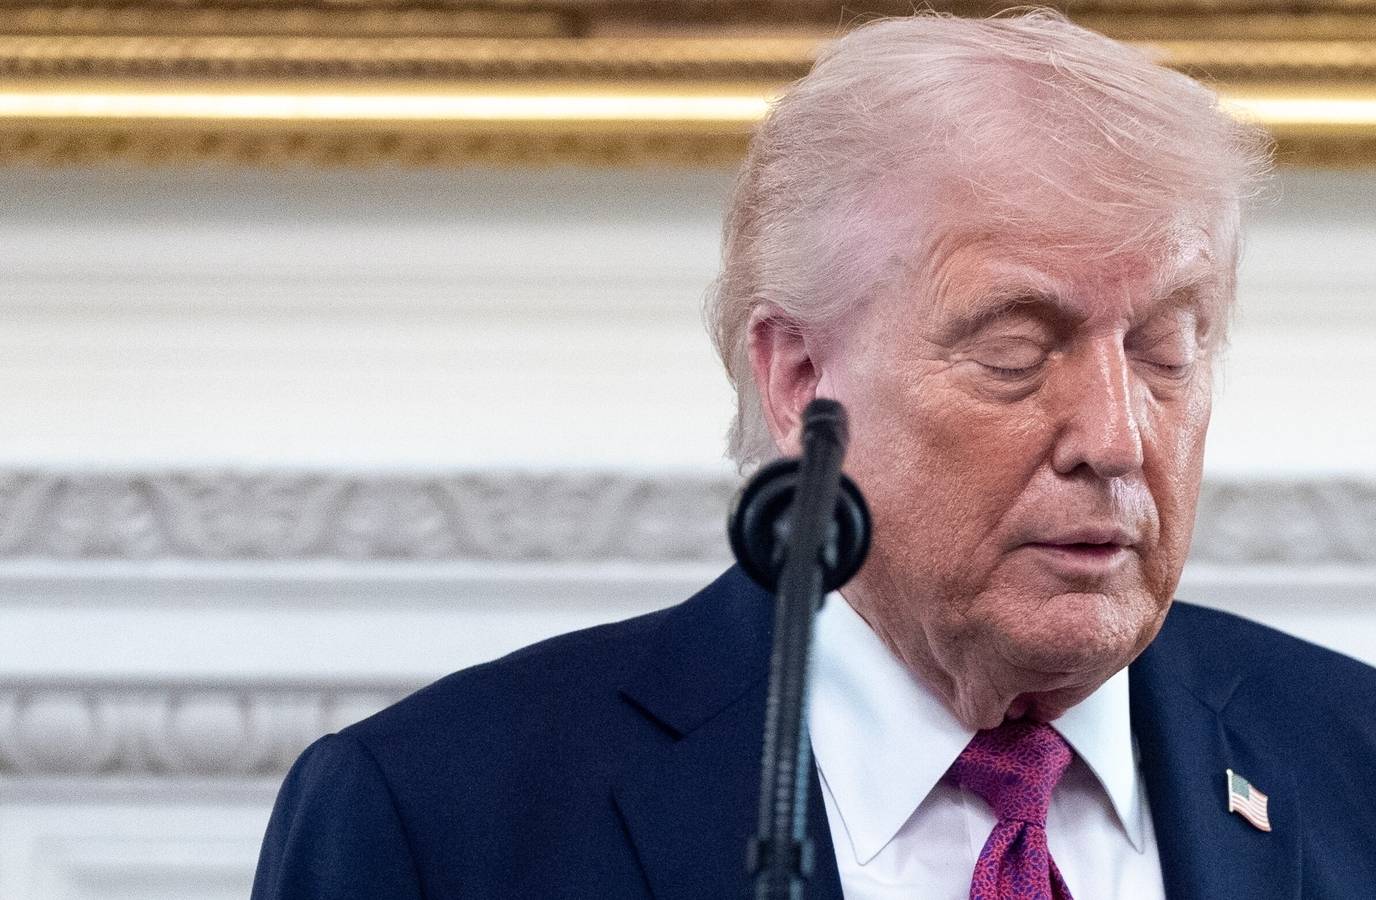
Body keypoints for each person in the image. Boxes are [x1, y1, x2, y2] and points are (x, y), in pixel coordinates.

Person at [252, 11, 1376, 899]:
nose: (1115, 439)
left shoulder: (1351, 761)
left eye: (1165, 351)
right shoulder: (442, 822)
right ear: (796, 379)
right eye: (1014, 352)